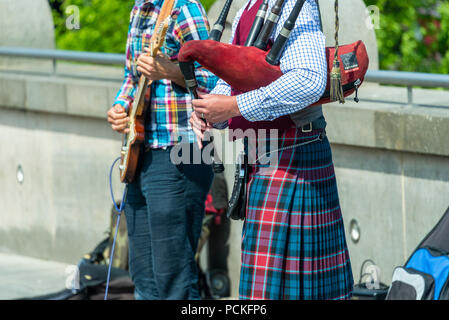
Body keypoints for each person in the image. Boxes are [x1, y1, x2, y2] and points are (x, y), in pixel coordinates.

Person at [191, 0, 354, 300]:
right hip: (263, 158)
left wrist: (235, 106)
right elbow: (237, 76)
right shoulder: (246, 7)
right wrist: (211, 108)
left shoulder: (294, 4)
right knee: (261, 291)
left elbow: (310, 80)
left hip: (295, 154)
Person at [107, 0, 217, 300]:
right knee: (143, 277)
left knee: (175, 278)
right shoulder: (138, 9)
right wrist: (121, 106)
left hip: (182, 150)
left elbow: (214, 81)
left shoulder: (184, 8)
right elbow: (132, 77)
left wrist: (169, 70)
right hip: (142, 152)